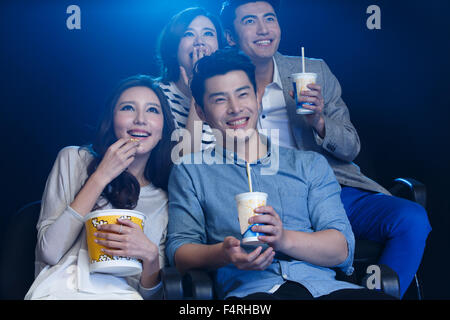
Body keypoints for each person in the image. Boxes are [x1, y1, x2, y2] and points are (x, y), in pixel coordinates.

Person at [219, 0, 431, 298]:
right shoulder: (221, 84)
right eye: (250, 21)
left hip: (333, 189)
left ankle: (379, 296)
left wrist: (318, 121)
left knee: (411, 219)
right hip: (269, 197)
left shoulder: (313, 70)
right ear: (230, 36)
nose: (264, 29)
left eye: (270, 19)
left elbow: (351, 146)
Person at [165, 48, 395, 300]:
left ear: (257, 97)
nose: (235, 108)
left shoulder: (309, 165)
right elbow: (180, 252)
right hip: (253, 294)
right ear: (201, 112)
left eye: (243, 94)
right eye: (220, 100)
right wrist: (223, 252)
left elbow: (341, 249)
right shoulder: (190, 170)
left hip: (327, 291)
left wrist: (283, 238)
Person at [25, 75, 175, 300]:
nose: (140, 120)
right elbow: (50, 252)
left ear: (163, 127)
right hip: (61, 290)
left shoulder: (163, 199)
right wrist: (101, 176)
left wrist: (151, 257)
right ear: (112, 119)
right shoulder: (74, 160)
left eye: (153, 110)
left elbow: (151, 296)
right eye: (128, 108)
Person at [157, 7, 225, 153]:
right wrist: (197, 91)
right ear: (173, 48)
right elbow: (183, 163)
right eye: (188, 34)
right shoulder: (155, 95)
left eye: (208, 34)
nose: (199, 42)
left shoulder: (231, 96)